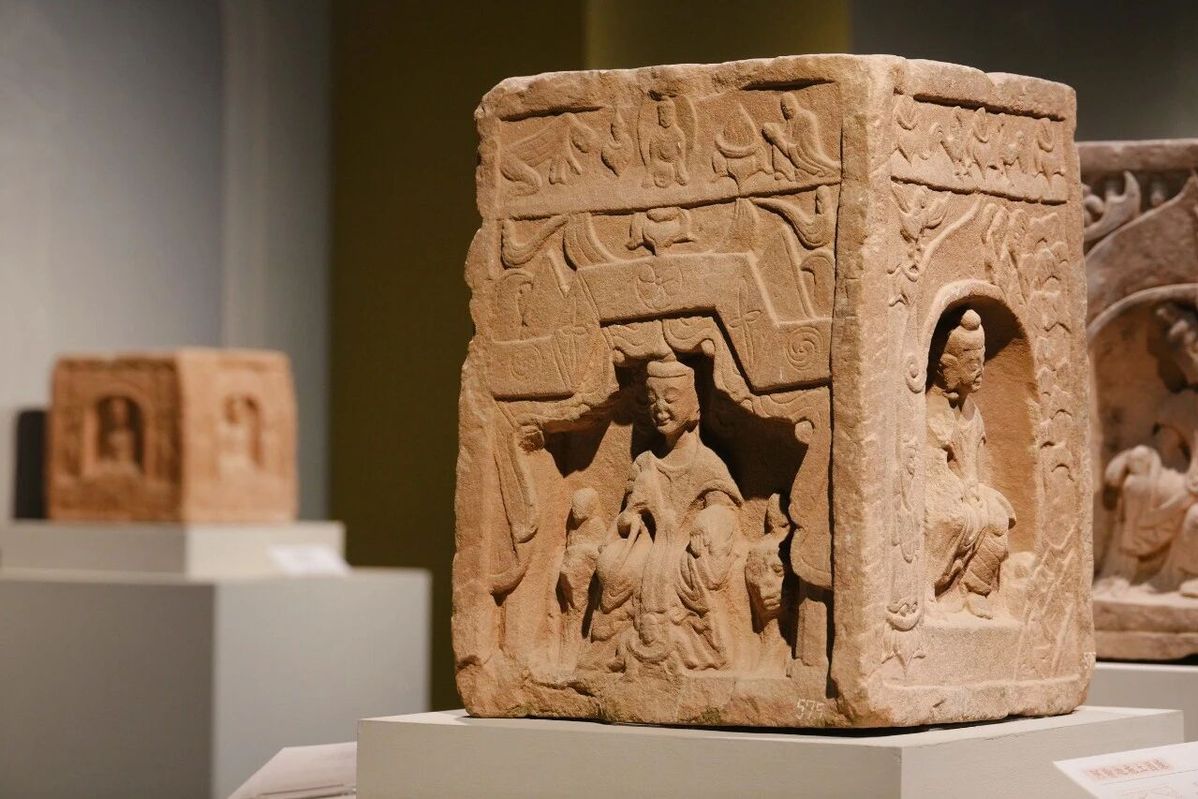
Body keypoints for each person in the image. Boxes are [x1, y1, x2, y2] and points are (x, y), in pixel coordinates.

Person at [588, 358, 742, 670]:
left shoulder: (707, 463)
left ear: (693, 407)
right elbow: (627, 517)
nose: (660, 408)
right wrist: (632, 517)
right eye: (652, 399)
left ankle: (691, 647)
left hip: (686, 550)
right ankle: (612, 646)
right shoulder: (645, 463)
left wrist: (707, 523)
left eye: (670, 399)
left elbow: (723, 508)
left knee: (681, 571)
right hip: (648, 546)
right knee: (614, 569)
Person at [925, 309, 1015, 618]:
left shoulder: (973, 413)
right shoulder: (933, 411)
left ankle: (976, 588)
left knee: (998, 516)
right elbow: (932, 469)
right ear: (946, 367)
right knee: (952, 520)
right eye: (972, 365)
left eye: (982, 362)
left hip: (967, 490)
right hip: (939, 493)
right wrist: (960, 491)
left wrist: (974, 488)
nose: (980, 372)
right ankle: (926, 589)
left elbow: (975, 464)